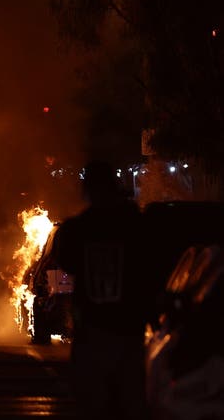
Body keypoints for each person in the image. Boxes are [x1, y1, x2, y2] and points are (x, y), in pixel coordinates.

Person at [50, 161, 151, 420]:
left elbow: (66, 261)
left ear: (88, 190)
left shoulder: (78, 228)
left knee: (93, 403)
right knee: (128, 402)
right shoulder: (136, 226)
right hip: (127, 329)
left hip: (94, 329)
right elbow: (152, 269)